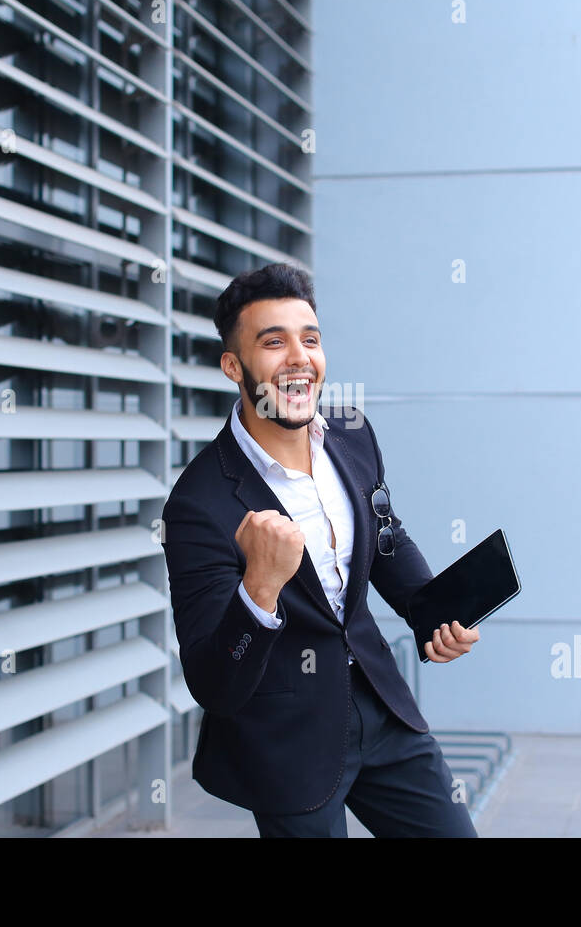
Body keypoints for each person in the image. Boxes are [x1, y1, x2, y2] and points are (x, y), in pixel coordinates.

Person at [161, 262, 480, 837]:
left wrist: (432, 612)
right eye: (273, 342)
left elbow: (385, 537)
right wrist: (259, 586)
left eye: (310, 339)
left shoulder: (352, 434)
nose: (299, 358)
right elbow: (213, 682)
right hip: (287, 739)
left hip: (381, 706)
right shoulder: (199, 503)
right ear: (233, 366)